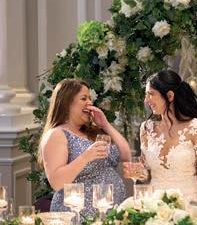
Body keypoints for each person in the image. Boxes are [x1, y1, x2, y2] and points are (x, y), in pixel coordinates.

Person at [39, 79, 131, 217]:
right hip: (79, 217)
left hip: (110, 214)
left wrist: (105, 125)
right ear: (67, 103)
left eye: (90, 98)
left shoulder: (93, 131)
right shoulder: (56, 134)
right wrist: (86, 156)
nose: (90, 103)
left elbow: (126, 155)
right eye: (84, 98)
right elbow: (57, 182)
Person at [130, 70, 197, 199]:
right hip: (154, 203)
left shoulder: (196, 127)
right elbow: (147, 174)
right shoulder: (146, 128)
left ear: (169, 96)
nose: (146, 100)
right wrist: (138, 173)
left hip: (188, 202)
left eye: (150, 94)